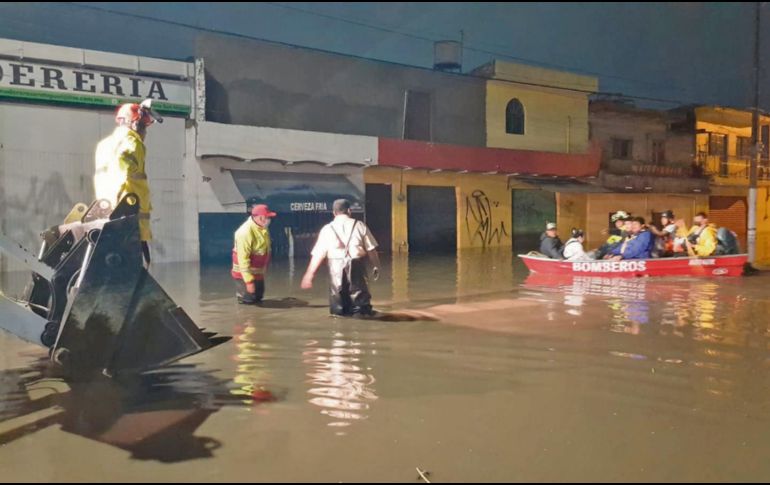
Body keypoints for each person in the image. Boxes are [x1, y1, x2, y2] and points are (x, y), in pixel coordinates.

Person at [94, 99, 163, 266]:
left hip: (107, 213)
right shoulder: (133, 142)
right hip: (129, 217)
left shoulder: (104, 145)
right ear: (135, 123)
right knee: (133, 267)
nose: (145, 132)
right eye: (144, 126)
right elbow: (128, 177)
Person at [301, 199, 380, 317]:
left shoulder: (327, 229)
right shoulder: (359, 225)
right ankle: (361, 320)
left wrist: (309, 275)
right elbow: (371, 249)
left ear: (334, 213)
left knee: (338, 306)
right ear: (349, 211)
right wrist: (376, 266)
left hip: (335, 267)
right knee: (360, 305)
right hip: (356, 265)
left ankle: (339, 325)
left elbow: (318, 255)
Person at [231, 204, 276, 305]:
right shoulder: (244, 232)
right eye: (268, 217)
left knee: (259, 296)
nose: (269, 220)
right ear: (260, 218)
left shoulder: (262, 228)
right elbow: (243, 260)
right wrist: (249, 282)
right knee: (248, 300)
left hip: (257, 273)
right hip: (243, 275)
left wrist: (263, 269)